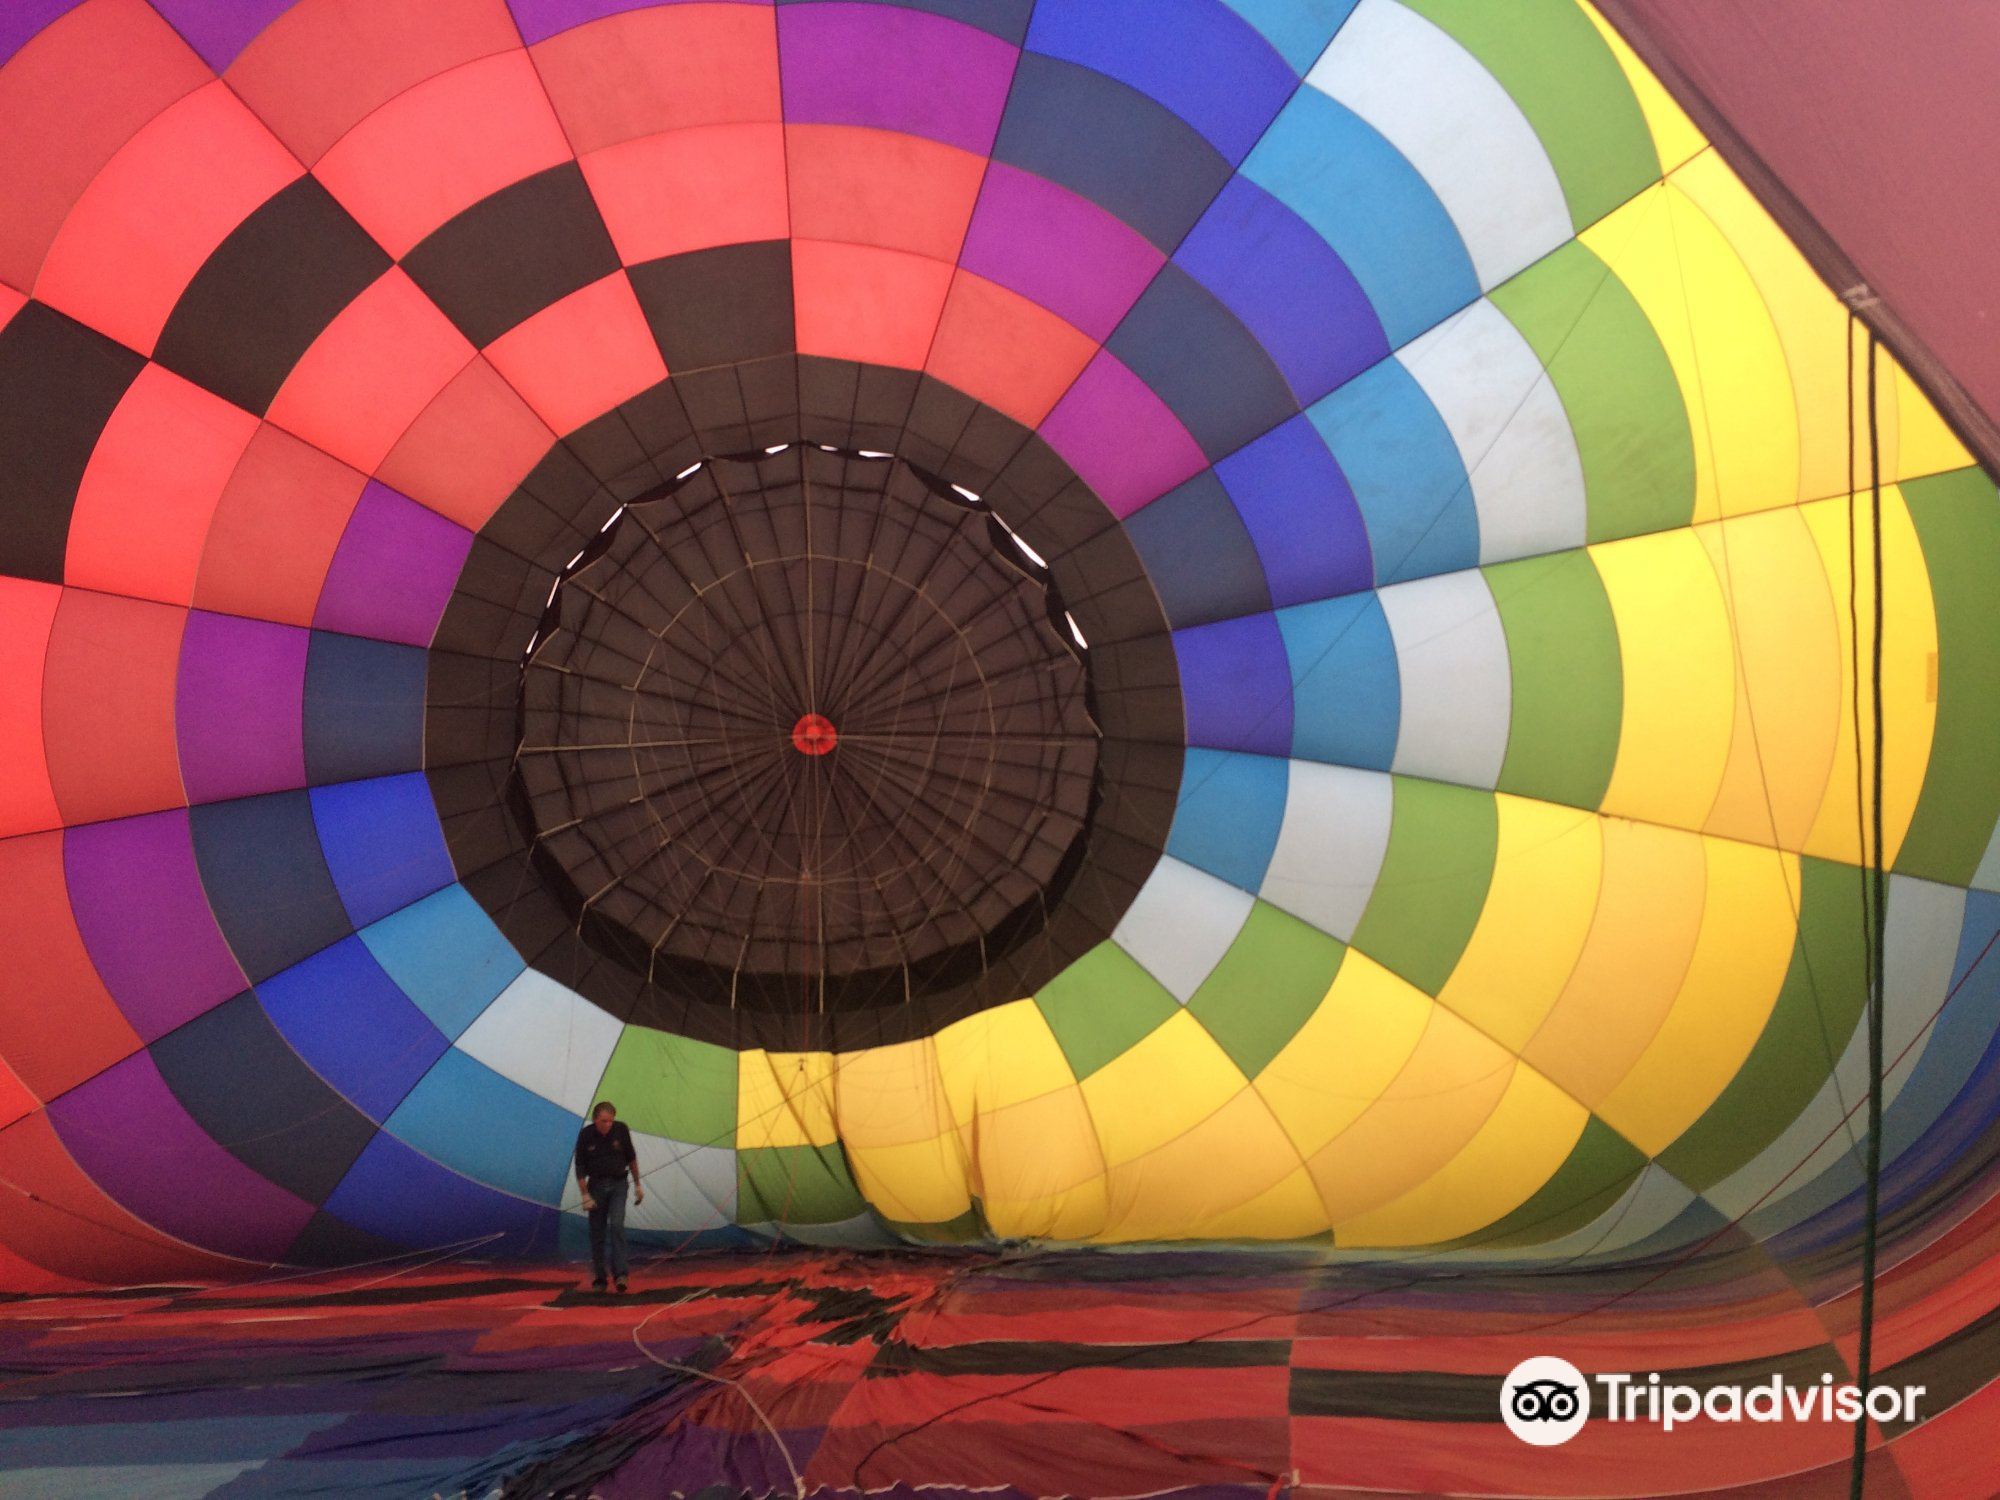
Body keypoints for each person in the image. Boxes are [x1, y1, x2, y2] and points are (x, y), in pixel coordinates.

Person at [574, 1100, 643, 1292]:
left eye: (611, 1121)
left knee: (617, 1225)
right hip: (595, 1186)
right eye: (604, 1121)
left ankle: (621, 1275)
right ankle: (600, 1278)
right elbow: (579, 1168)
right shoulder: (586, 1135)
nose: (608, 1125)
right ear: (595, 1120)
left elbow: (631, 1157)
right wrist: (585, 1195)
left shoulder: (621, 1130)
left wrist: (638, 1184)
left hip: (619, 1184)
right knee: (597, 1232)